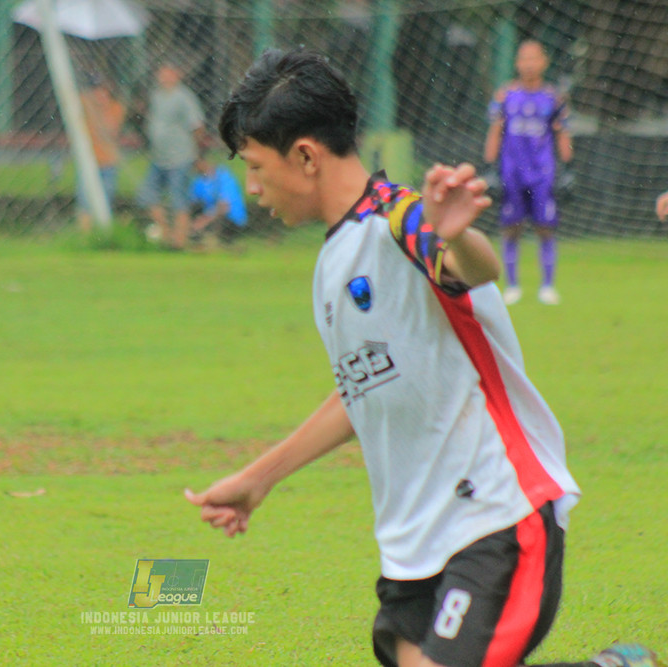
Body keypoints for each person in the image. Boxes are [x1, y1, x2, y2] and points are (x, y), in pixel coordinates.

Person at [184, 48, 660, 667]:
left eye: (254, 165)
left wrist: (457, 231)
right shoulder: (333, 261)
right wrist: (259, 479)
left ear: (304, 155)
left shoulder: (400, 218)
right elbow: (364, 392)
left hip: (498, 514)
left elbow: (472, 267)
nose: (252, 186)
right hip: (414, 544)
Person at [484, 39, 573, 306]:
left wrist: (569, 168)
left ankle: (548, 285)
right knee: (511, 227)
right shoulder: (505, 97)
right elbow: (494, 132)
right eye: (524, 58)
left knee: (546, 227)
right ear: (516, 63)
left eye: (534, 58)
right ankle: (512, 285)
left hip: (542, 173)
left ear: (544, 62)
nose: (529, 64)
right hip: (512, 172)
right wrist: (489, 167)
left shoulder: (553, 98)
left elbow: (562, 133)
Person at [136, 62, 205, 249]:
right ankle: (167, 235)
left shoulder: (184, 97)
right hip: (159, 157)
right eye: (161, 73)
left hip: (180, 157)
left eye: (168, 73)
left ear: (177, 74)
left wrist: (197, 154)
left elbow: (197, 125)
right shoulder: (156, 96)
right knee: (147, 196)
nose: (164, 77)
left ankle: (179, 243)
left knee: (178, 200)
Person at [77, 74, 125, 232]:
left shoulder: (115, 108)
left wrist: (99, 110)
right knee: (85, 203)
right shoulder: (84, 103)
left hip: (109, 163)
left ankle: (103, 233)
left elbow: (110, 130)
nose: (100, 95)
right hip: (89, 162)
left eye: (104, 91)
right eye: (97, 91)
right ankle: (85, 236)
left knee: (106, 200)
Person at [188, 151, 248, 245]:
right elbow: (192, 202)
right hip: (209, 215)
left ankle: (215, 241)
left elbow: (224, 207)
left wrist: (203, 220)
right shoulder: (199, 181)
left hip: (230, 218)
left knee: (219, 217)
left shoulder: (223, 176)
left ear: (204, 162)